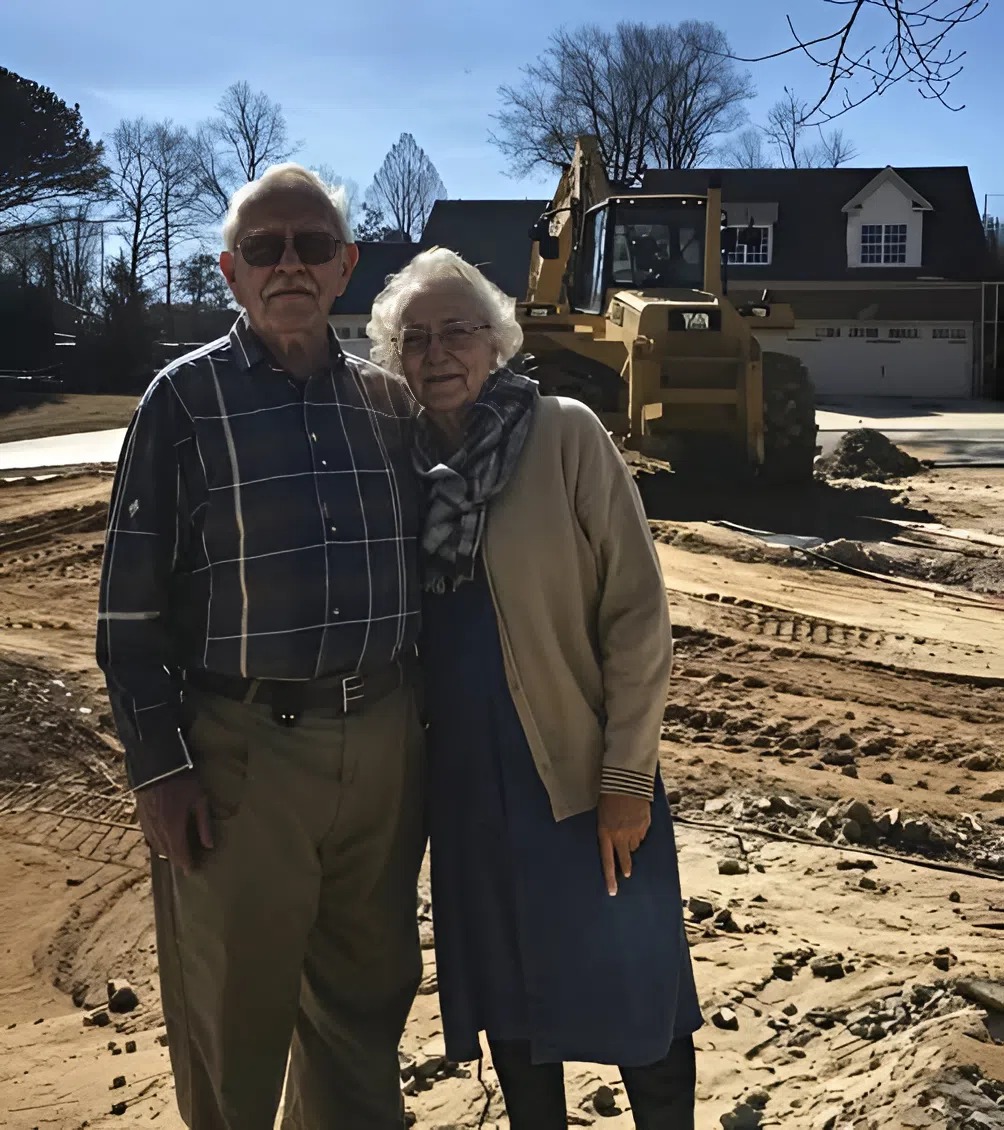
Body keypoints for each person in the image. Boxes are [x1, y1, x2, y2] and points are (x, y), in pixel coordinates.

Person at [96, 165, 425, 1130]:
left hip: (382, 749)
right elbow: (125, 618)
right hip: (243, 759)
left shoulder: (387, 404)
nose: (291, 263)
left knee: (364, 1010)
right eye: (266, 248)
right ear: (231, 272)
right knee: (234, 1020)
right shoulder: (182, 402)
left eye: (313, 246)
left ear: (346, 268)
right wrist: (160, 768)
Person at [367, 247, 703, 1130]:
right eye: (416, 338)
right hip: (467, 795)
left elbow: (636, 613)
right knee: (514, 1013)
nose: (439, 353)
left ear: (500, 340)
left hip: (581, 779)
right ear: (394, 356)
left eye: (460, 332)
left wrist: (627, 778)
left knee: (639, 998)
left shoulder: (564, 433)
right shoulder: (398, 464)